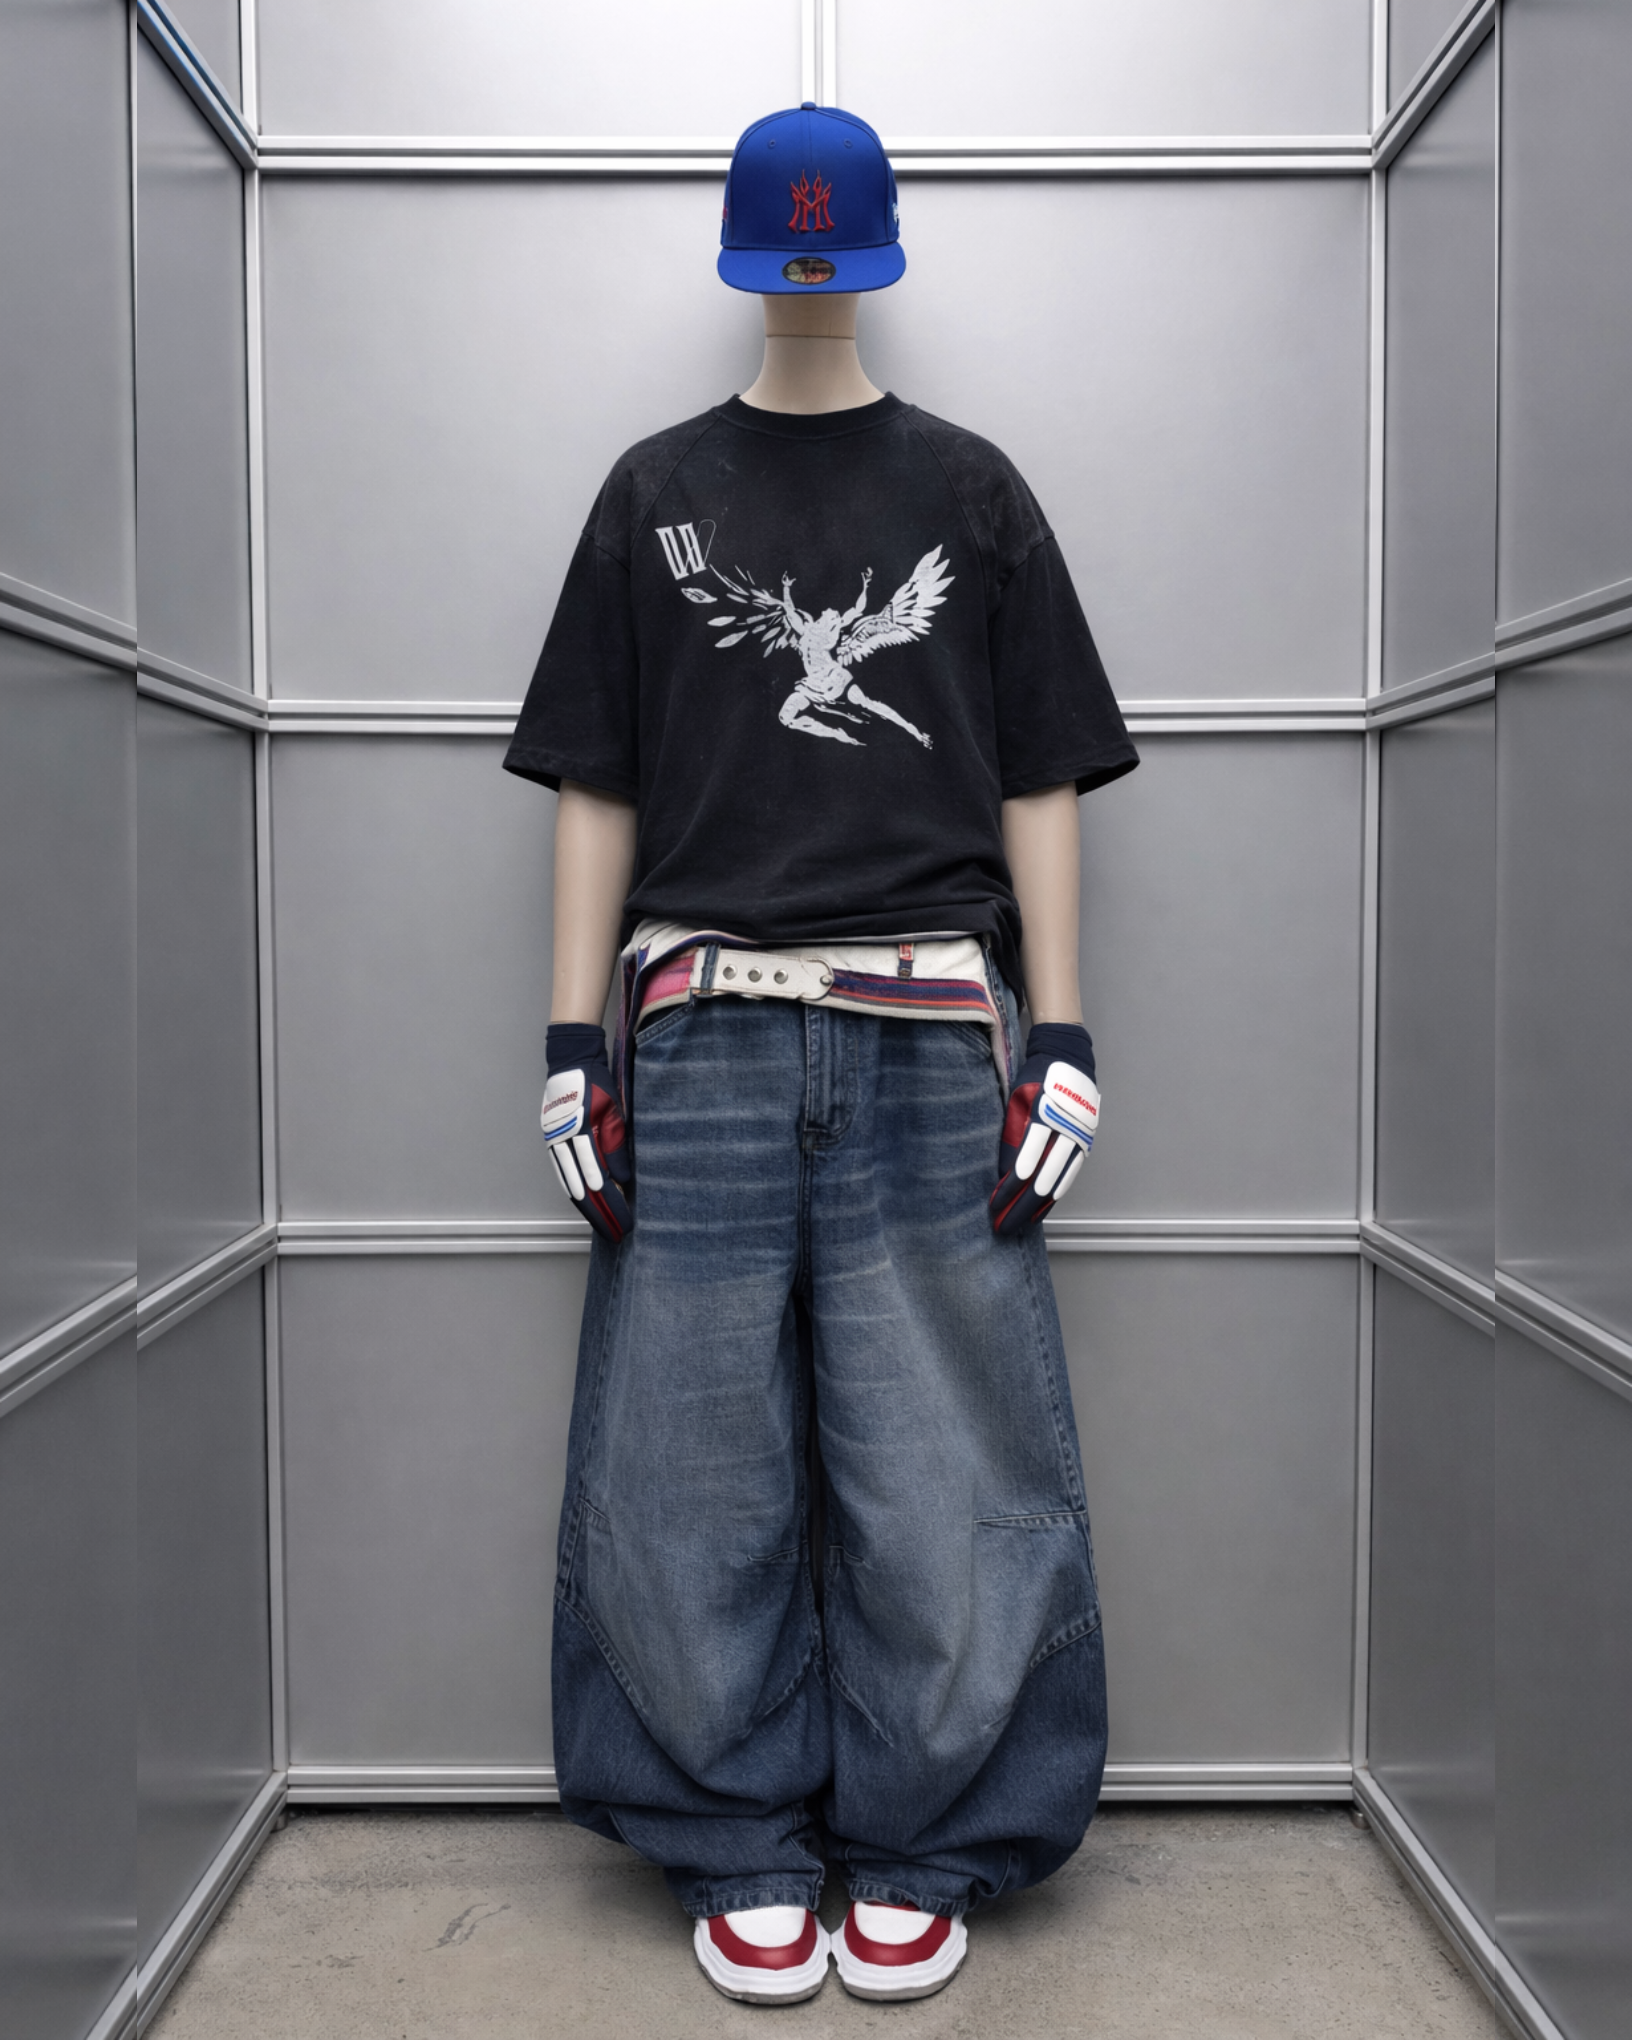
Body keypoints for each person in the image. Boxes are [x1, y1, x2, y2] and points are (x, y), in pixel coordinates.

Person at [503, 101, 1138, 2006]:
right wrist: (569, 1040)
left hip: (932, 1029)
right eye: (784, 255)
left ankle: (933, 1832)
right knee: (685, 1454)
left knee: (948, 1457)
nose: (803, 280)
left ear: (855, 259)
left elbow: (1040, 775)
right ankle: (727, 1831)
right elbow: (598, 781)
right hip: (696, 1031)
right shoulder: (653, 496)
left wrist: (1063, 1031)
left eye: (821, 251)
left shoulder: (972, 492)